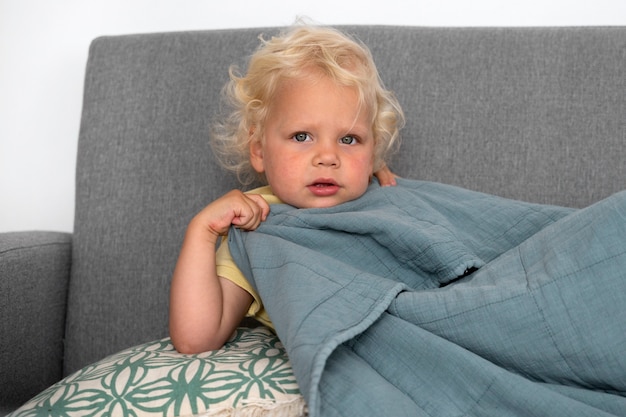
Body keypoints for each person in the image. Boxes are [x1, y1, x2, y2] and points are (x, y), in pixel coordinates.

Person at [169, 24, 405, 354]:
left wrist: (373, 175)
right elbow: (196, 338)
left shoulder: (380, 193)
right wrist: (202, 231)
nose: (328, 157)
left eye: (348, 139)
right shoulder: (255, 230)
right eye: (301, 137)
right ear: (259, 150)